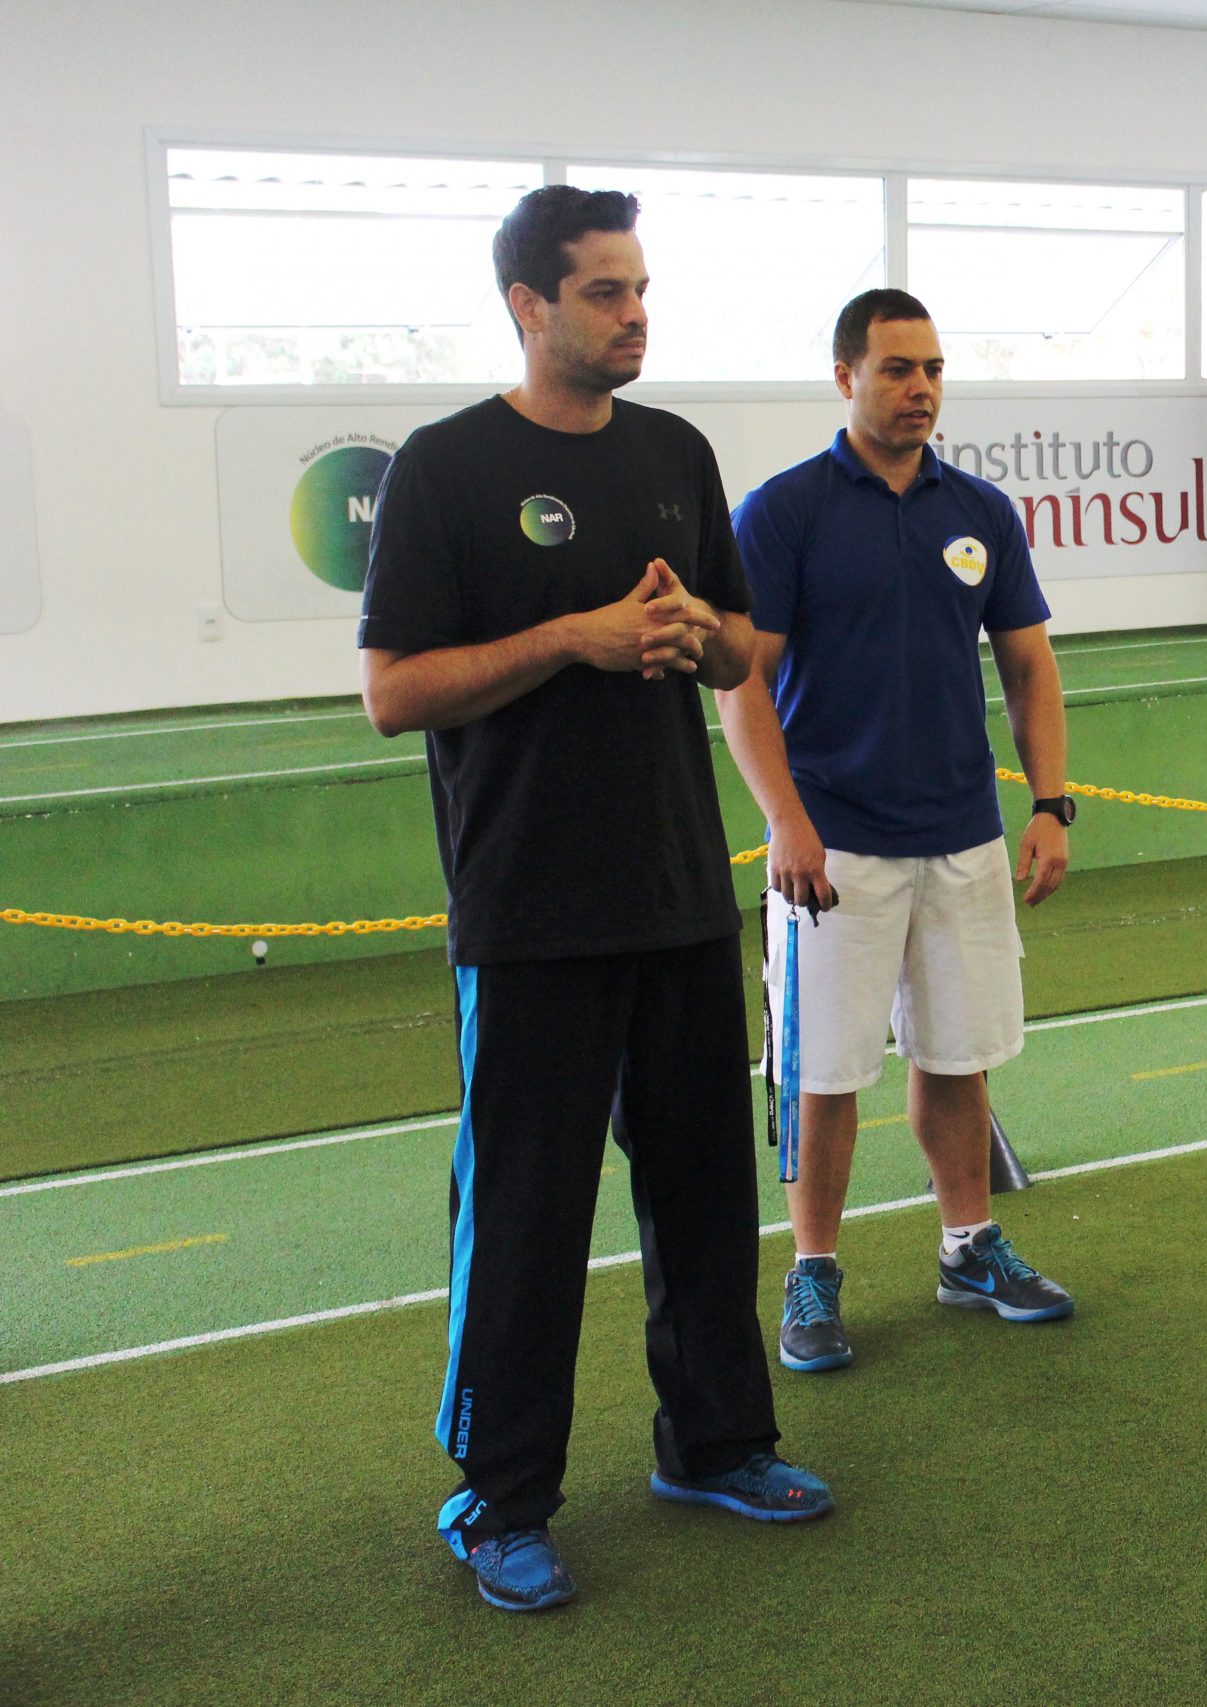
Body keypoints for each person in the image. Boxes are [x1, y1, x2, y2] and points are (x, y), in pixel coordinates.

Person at [358, 185, 831, 1615]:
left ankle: (718, 1441)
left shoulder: (679, 451)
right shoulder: (444, 469)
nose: (636, 314)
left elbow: (749, 649)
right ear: (529, 306)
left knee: (703, 1194)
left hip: (683, 897)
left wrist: (701, 632)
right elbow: (392, 692)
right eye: (607, 292)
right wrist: (575, 635)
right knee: (524, 1218)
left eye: (641, 289)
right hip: (530, 913)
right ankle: (498, 1493)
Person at [716, 288, 1075, 1375]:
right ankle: (813, 1273)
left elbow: (1027, 665)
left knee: (957, 1059)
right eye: (895, 370)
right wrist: (787, 821)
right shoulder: (782, 514)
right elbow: (741, 682)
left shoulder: (980, 512)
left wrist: (1051, 804)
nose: (918, 389)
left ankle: (969, 1246)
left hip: (960, 838)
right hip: (835, 849)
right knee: (822, 1074)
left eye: (931, 370)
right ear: (845, 379)